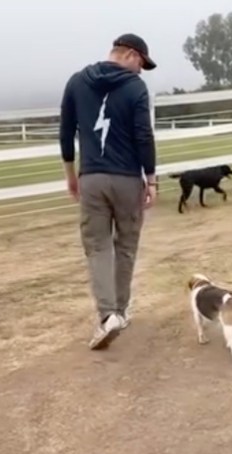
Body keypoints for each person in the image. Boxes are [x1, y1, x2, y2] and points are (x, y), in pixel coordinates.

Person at [58, 33, 159, 350]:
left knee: (98, 247)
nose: (141, 71)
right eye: (141, 63)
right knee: (126, 246)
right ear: (130, 54)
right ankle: (121, 311)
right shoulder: (135, 87)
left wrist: (71, 175)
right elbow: (143, 134)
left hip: (92, 178)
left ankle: (107, 316)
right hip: (127, 178)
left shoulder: (76, 82)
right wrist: (151, 178)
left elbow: (65, 132)